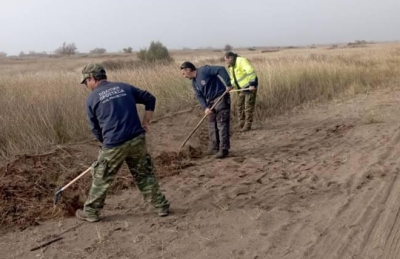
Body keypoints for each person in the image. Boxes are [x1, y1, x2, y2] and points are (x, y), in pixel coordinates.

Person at [75, 63, 170, 222]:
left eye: (86, 82)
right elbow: (150, 99)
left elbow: (95, 129)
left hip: (114, 143)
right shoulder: (124, 87)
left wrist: (104, 144)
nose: (86, 85)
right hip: (137, 139)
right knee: (145, 175)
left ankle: (91, 212)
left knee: (102, 177)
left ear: (92, 78)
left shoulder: (91, 99)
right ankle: (161, 206)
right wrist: (146, 122)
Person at [180, 61, 233, 159]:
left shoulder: (204, 70)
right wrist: (205, 108)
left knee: (221, 124)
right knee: (212, 124)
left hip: (221, 97)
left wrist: (228, 84)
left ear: (188, 70)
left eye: (183, 73)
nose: (183, 76)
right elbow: (199, 96)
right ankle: (214, 147)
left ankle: (223, 150)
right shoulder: (194, 82)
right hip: (210, 102)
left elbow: (221, 69)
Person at [224, 52, 258, 132]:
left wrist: (252, 84)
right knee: (239, 105)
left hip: (249, 88)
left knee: (248, 107)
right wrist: (231, 86)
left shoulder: (241, 61)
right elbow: (233, 78)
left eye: (226, 60)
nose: (225, 62)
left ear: (231, 58)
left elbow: (250, 71)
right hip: (241, 89)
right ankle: (241, 122)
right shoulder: (231, 66)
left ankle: (247, 125)